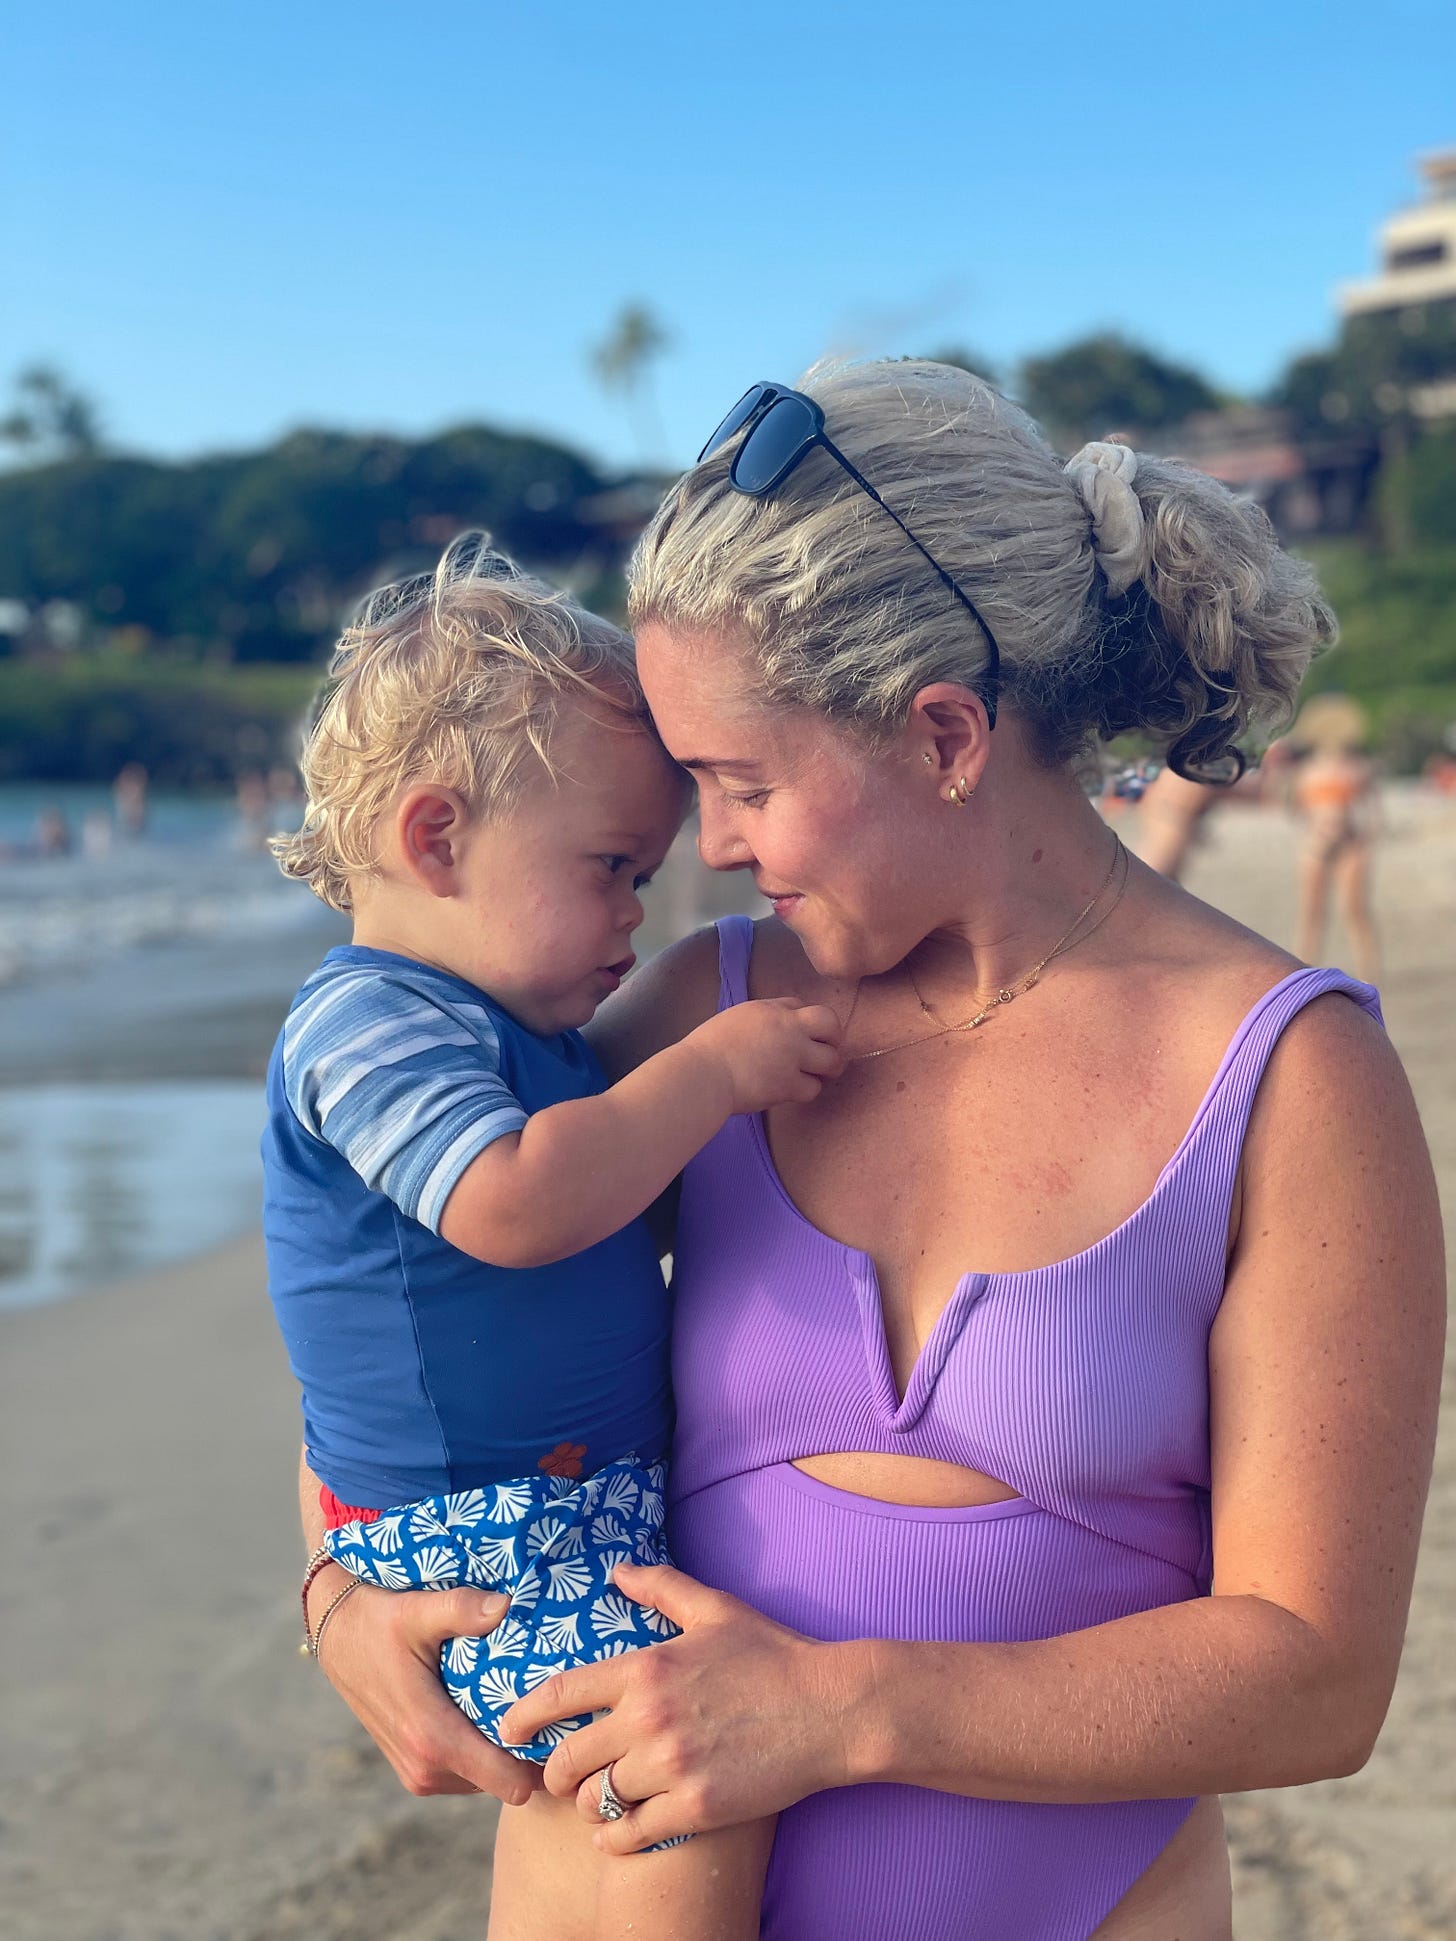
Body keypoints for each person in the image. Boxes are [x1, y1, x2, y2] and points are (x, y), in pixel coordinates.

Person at [301, 366, 1444, 1941]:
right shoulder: (709, 1021)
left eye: (745, 784)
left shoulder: (1290, 1079)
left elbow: (1317, 1677)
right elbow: (407, 1278)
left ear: (945, 733)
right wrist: (336, 1592)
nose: (714, 847)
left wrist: (844, 1709)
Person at [267, 536, 840, 1940]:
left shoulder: (515, 1034)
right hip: (483, 1541)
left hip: (561, 1516)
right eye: (610, 868)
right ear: (435, 837)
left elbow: (617, 1197)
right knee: (681, 1780)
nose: (638, 913)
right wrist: (711, 1071)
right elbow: (516, 1205)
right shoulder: (368, 1023)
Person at [1286, 695, 1383, 983]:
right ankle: (1304, 970)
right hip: (1318, 845)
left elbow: (1375, 814)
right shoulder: (1306, 771)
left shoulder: (1356, 769)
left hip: (1349, 844)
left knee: (1355, 910)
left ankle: (1368, 973)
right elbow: (1296, 809)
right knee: (1313, 912)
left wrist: (1363, 840)